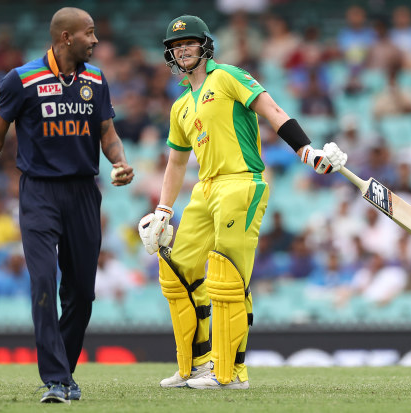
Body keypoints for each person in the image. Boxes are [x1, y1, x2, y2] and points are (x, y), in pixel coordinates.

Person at [138, 15, 347, 390]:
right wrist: (163, 211)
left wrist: (307, 152)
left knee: (225, 275)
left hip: (241, 183)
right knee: (177, 270)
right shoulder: (180, 106)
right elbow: (176, 161)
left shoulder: (229, 76)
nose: (181, 49)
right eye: (174, 45)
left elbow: (273, 111)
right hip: (204, 189)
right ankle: (196, 366)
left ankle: (231, 373)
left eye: (188, 42)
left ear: (205, 46)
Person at [0, 7, 133, 404]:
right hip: (39, 193)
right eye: (90, 33)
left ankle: (64, 373)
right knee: (41, 283)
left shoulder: (96, 78)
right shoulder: (21, 80)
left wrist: (119, 161)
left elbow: (108, 132)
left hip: (84, 193)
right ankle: (55, 379)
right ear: (66, 37)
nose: (96, 40)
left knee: (82, 294)